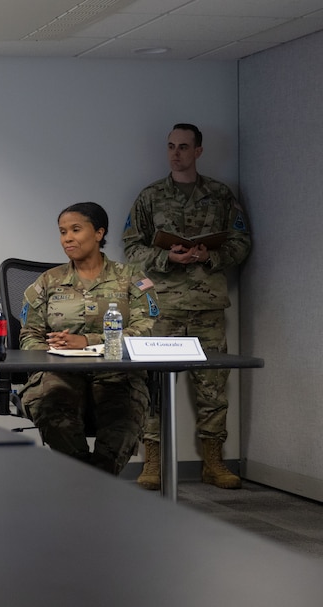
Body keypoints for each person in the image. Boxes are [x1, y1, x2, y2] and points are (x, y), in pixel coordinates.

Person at [123, 123, 252, 491]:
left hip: (207, 306)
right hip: (161, 306)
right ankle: (152, 463)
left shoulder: (220, 195)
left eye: (183, 146)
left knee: (213, 387)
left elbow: (242, 243)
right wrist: (168, 257)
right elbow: (132, 249)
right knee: (152, 386)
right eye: (170, 146)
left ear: (198, 151)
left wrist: (209, 255)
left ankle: (213, 462)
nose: (175, 153)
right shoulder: (149, 197)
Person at [20, 202, 159, 475]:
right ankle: (85, 480)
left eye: (75, 229)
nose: (67, 238)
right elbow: (29, 334)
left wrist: (90, 343)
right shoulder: (48, 281)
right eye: (62, 232)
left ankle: (94, 482)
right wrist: (49, 354)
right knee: (49, 402)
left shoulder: (131, 278)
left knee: (125, 414)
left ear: (98, 233)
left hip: (116, 371)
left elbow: (147, 327)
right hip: (61, 372)